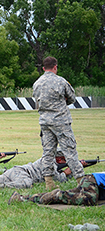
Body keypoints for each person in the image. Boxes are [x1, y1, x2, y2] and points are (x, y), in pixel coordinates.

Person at [33, 56, 84, 190]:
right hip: (61, 121)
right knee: (70, 151)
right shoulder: (61, 81)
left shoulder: (37, 83)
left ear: (43, 68)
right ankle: (80, 181)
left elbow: (37, 102)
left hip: (45, 122)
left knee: (48, 152)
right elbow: (72, 98)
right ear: (55, 67)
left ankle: (49, 182)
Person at [8, 173, 105, 206]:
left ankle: (21, 198)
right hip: (93, 181)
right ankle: (58, 195)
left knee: (71, 194)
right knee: (89, 199)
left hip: (93, 183)